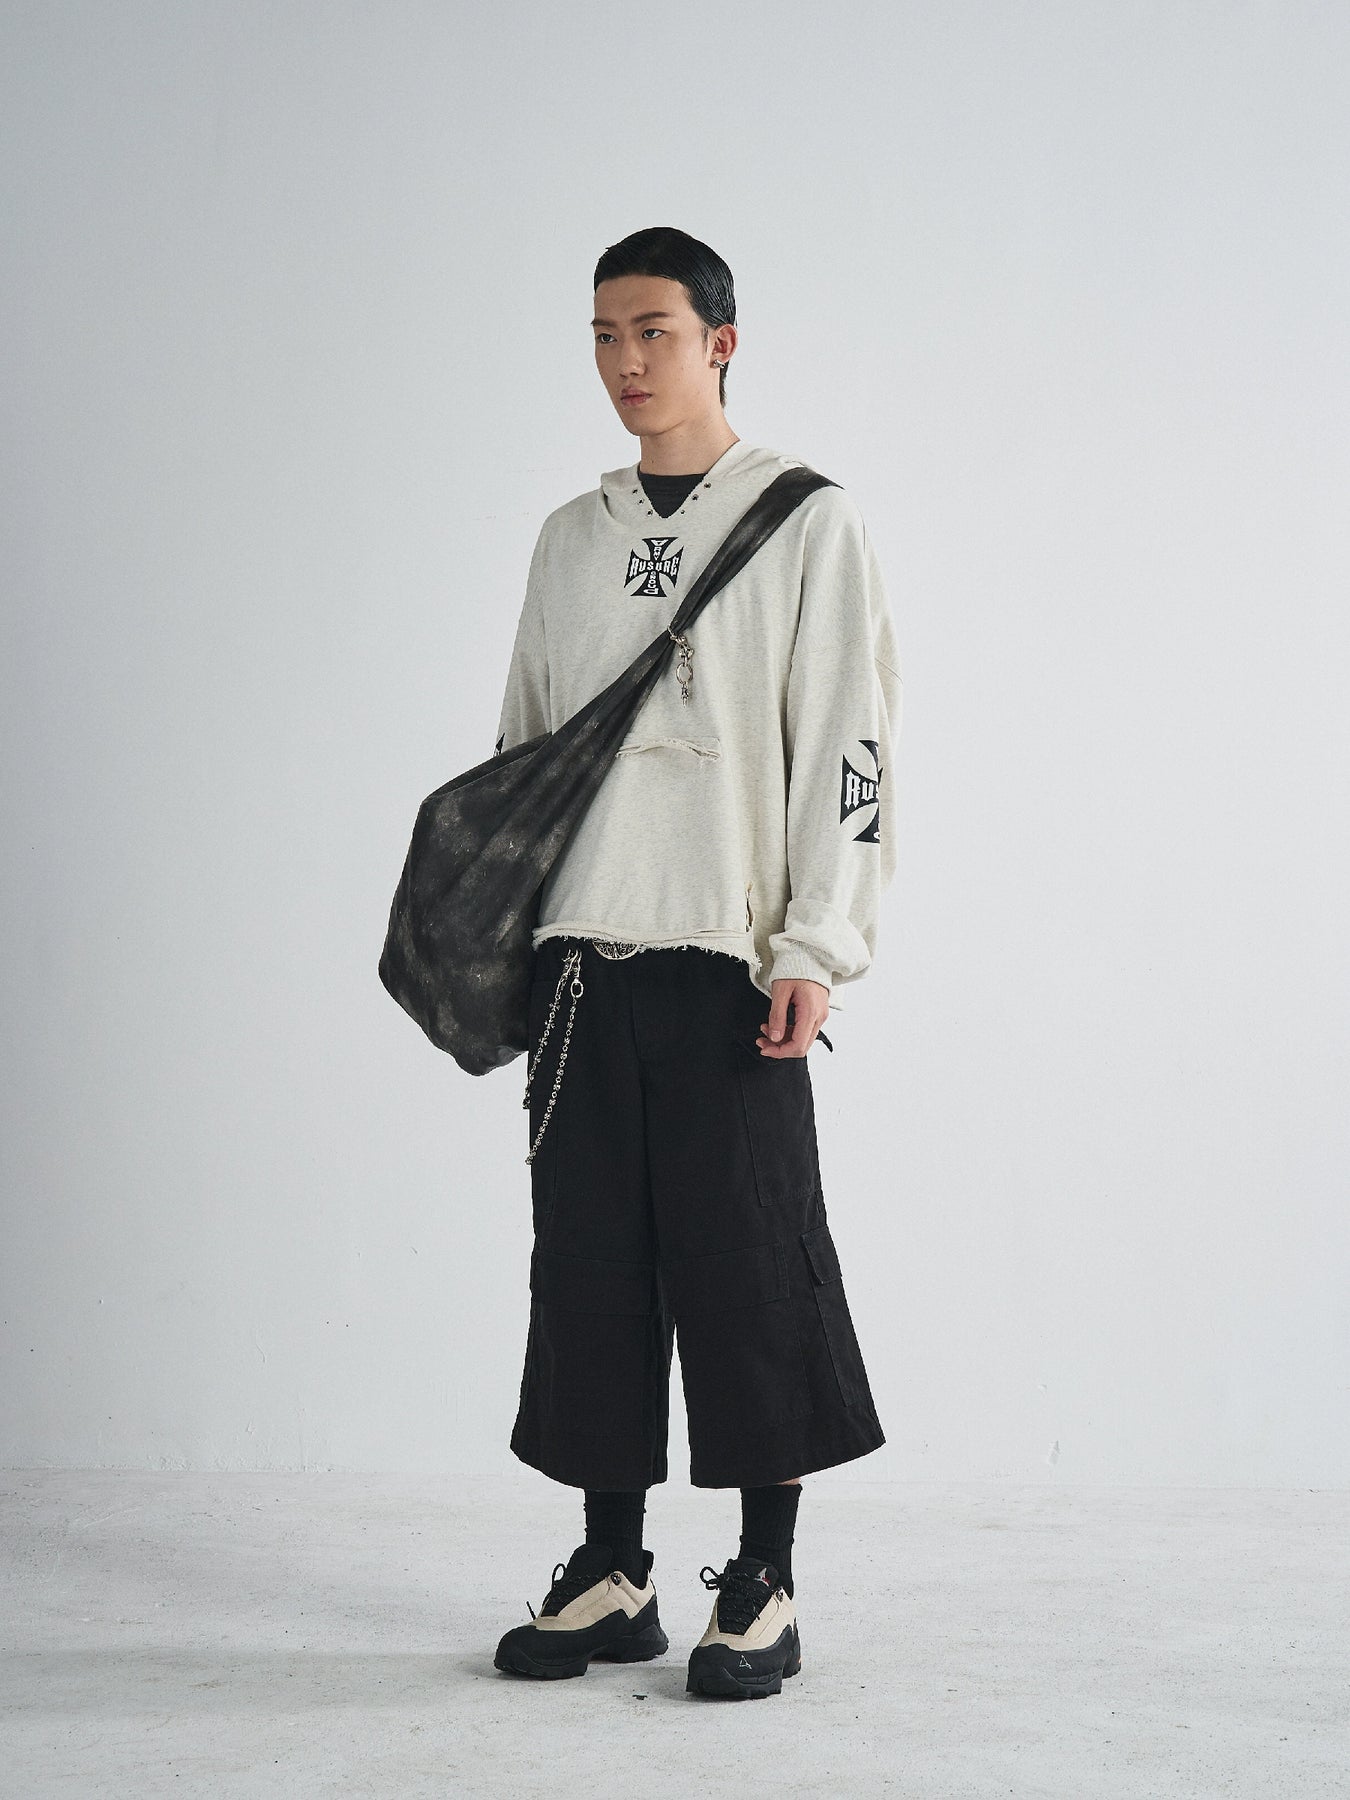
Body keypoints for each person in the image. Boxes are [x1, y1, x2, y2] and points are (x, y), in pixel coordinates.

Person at [489, 226, 903, 1700]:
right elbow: (524, 748)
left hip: (731, 965)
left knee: (748, 1270)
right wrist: (513, 936)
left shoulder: (807, 522)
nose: (624, 362)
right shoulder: (570, 537)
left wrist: (818, 942)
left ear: (720, 342)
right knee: (590, 1267)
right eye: (604, 336)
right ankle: (612, 1569)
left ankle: (763, 1582)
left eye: (652, 332)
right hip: (581, 963)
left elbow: (848, 745)